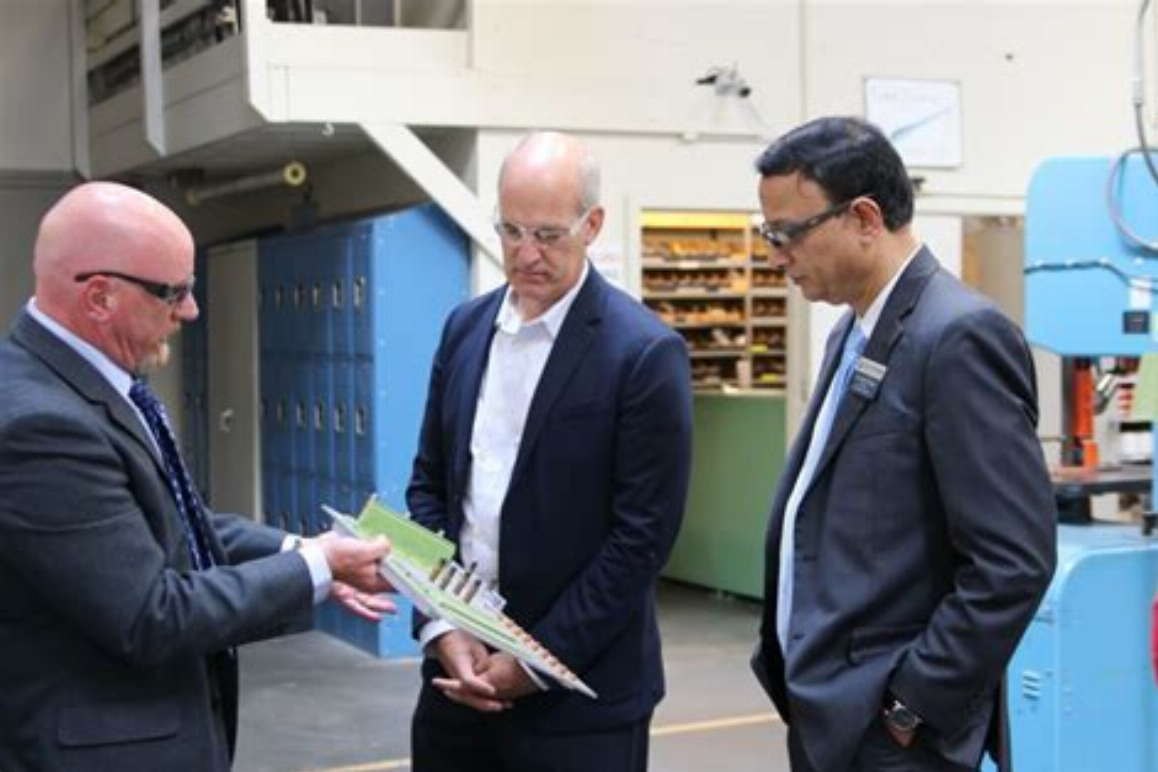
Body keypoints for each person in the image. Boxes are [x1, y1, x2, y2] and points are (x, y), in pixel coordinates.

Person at [0, 181, 394, 771]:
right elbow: (151, 613)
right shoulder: (41, 424)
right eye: (173, 292)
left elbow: (178, 525)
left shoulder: (85, 384)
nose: (191, 310)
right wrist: (316, 569)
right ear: (100, 297)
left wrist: (302, 550)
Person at [749, 116, 1057, 772]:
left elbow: (1012, 562)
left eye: (787, 234)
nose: (777, 255)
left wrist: (910, 707)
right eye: (767, 234)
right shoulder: (852, 332)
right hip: (830, 712)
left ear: (864, 217)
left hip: (891, 735)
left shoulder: (957, 337)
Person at [405, 131, 693, 772]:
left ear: (592, 225)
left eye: (547, 235)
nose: (525, 254)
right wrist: (440, 626)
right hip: (457, 681)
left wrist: (534, 663)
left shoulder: (643, 354)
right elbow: (428, 488)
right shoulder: (466, 329)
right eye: (511, 232)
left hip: (578, 701)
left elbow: (640, 539)